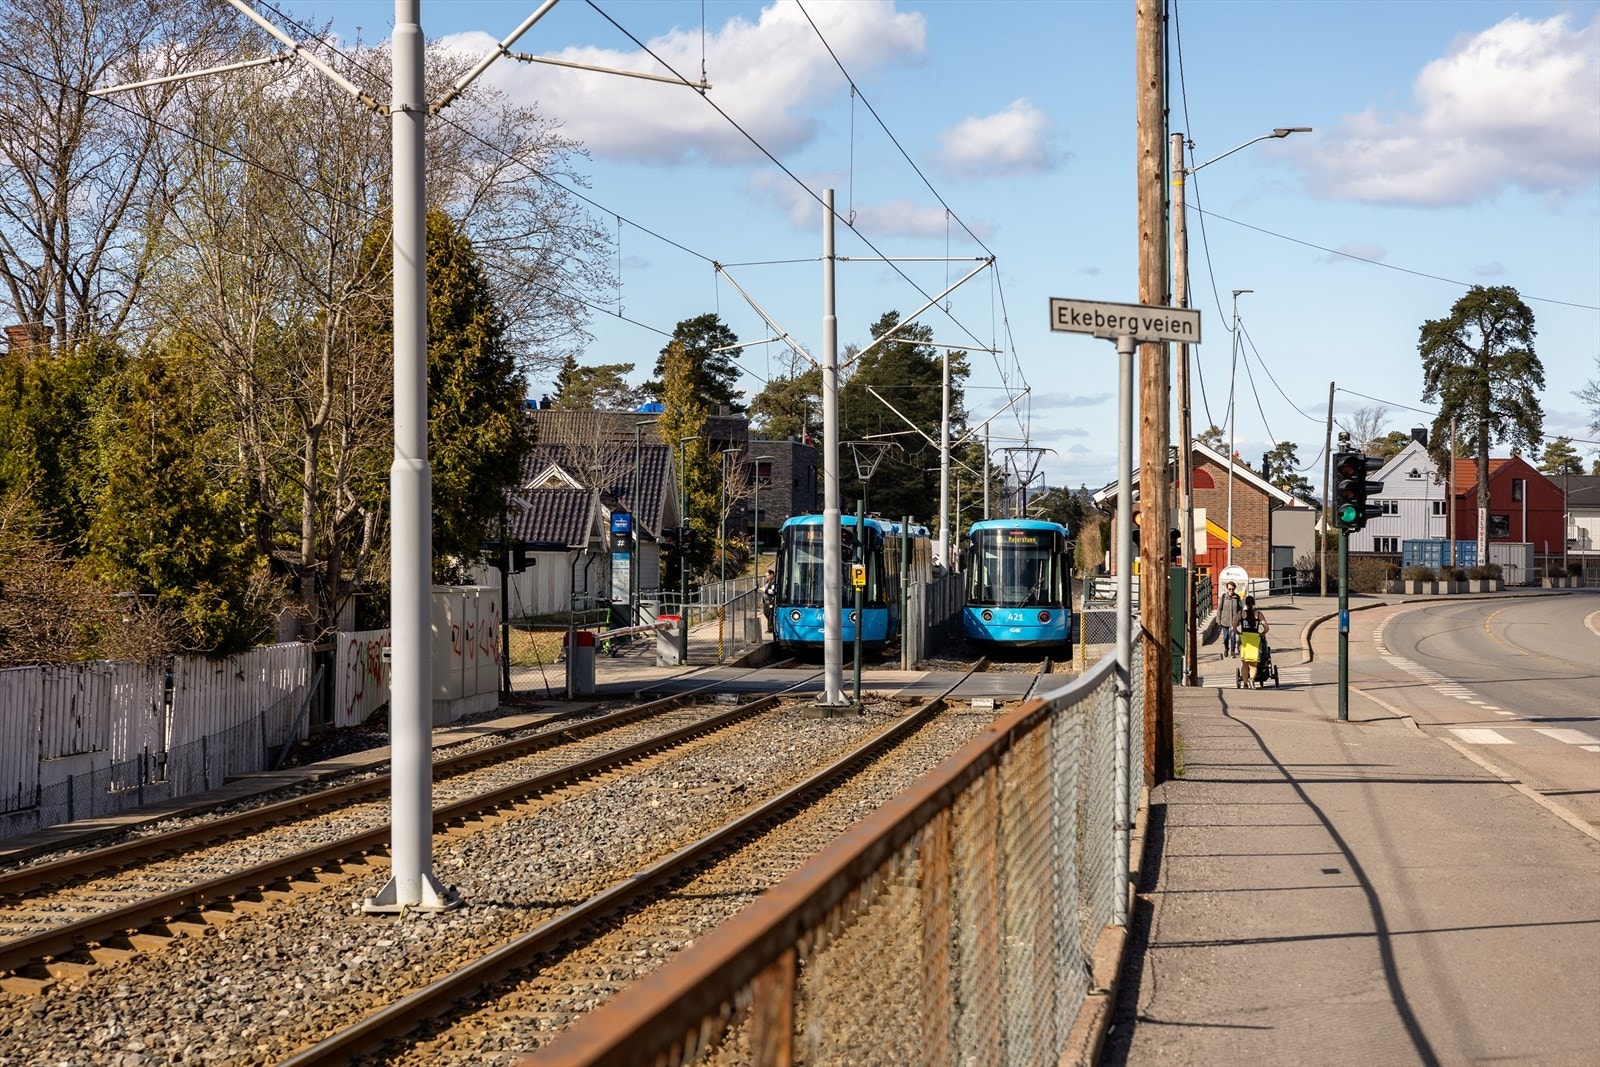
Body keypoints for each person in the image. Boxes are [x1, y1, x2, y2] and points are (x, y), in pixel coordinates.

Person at [1217, 581, 1243, 657]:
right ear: (1227, 589)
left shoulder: (1237, 597)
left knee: (1233, 637)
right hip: (1225, 620)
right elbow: (1219, 608)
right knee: (1225, 637)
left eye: (1232, 589)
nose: (1231, 591)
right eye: (1229, 589)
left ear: (1234, 589)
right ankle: (1226, 649)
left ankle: (1232, 651)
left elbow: (1240, 609)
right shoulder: (1224, 596)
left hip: (1234, 620)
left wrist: (1240, 619)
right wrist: (1218, 619)